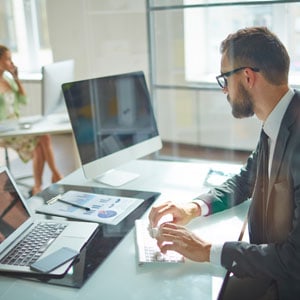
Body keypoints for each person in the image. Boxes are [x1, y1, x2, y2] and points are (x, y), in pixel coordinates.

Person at [149, 26, 300, 300]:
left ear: (247, 77)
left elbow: (295, 259)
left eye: (224, 79)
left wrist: (208, 250)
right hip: (267, 273)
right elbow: (246, 180)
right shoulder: (279, 120)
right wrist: (194, 208)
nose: (224, 91)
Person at [0, 45, 62, 195]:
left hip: (16, 126)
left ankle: (39, 186)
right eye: (8, 59)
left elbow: (24, 100)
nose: (11, 63)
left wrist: (16, 78)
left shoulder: (8, 79)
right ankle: (55, 177)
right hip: (3, 131)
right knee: (40, 143)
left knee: (43, 138)